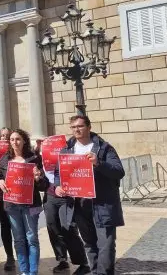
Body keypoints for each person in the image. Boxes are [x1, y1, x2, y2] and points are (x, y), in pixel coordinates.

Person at [55, 115, 125, 275]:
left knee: (106, 244)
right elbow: (60, 173)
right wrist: (59, 185)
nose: (76, 130)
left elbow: (119, 171)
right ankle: (94, 271)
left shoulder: (104, 148)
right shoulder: (67, 149)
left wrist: (98, 163)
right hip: (79, 205)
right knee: (89, 243)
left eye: (80, 126)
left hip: (102, 204)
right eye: (73, 127)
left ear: (88, 127)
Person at [0, 129, 49, 275]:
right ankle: (24, 271)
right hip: (12, 206)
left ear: (24, 141)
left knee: (32, 238)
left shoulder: (34, 158)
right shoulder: (5, 159)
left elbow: (44, 184)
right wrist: (0, 181)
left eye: (18, 139)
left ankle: (33, 271)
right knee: (19, 239)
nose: (15, 142)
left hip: (31, 205)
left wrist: (38, 178)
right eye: (12, 139)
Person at [40, 135, 90, 275]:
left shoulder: (70, 152)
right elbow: (41, 179)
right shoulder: (40, 157)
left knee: (68, 228)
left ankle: (83, 262)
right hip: (50, 196)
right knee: (52, 228)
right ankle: (62, 260)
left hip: (67, 197)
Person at [0, 127, 16, 271]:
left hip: (17, 196)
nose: (4, 138)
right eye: (2, 136)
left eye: (7, 136)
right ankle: (9, 257)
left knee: (19, 227)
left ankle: (23, 255)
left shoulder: (19, 152)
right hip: (1, 196)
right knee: (5, 226)